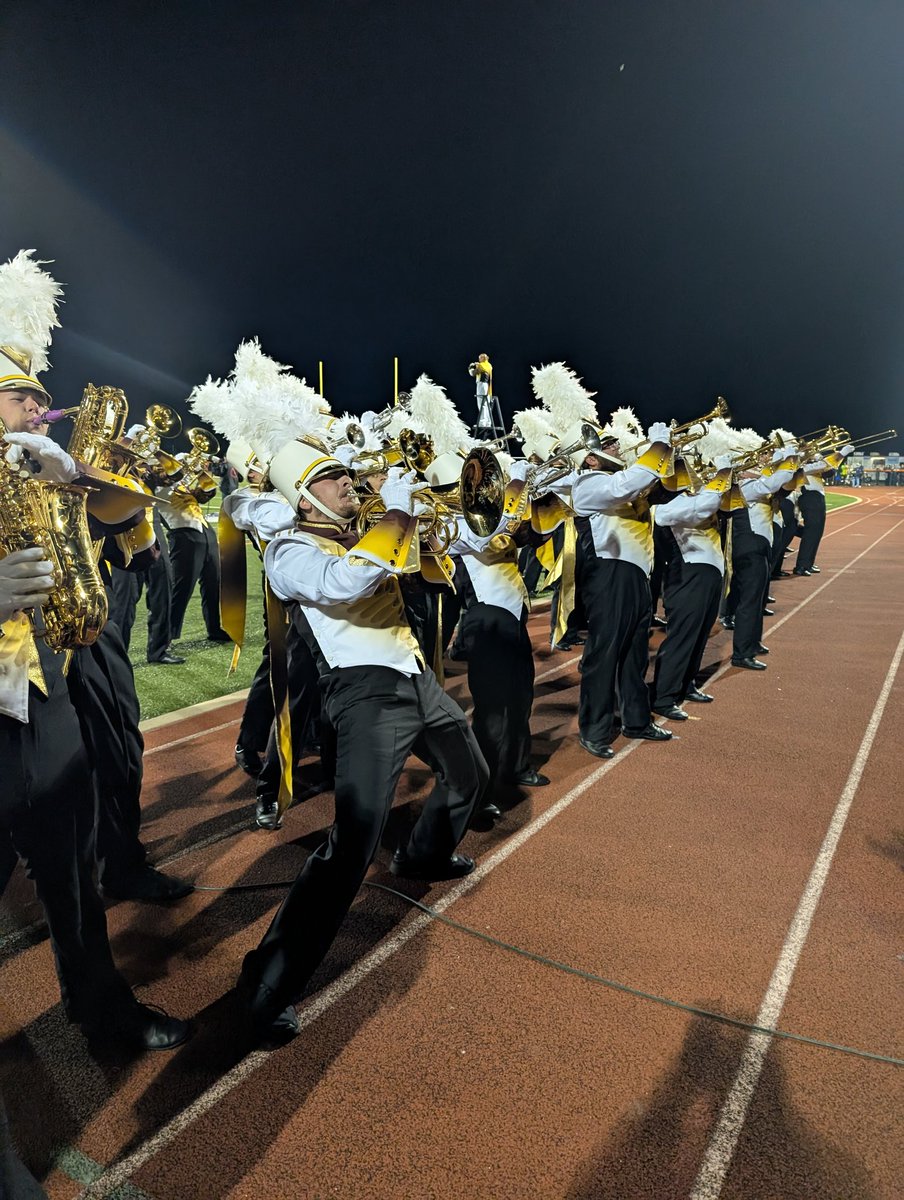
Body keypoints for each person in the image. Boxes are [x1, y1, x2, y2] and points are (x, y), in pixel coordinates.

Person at [234, 441, 488, 1043]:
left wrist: (424, 520)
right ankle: (263, 990)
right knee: (351, 846)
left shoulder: (370, 531)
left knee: (469, 772)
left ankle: (423, 853)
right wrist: (396, 518)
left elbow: (446, 564)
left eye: (347, 474)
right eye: (332, 478)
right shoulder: (289, 549)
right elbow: (341, 585)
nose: (349, 483)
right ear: (300, 495)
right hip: (364, 694)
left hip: (413, 674)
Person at [0, 407, 189, 1051]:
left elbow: (120, 515)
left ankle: (98, 1005)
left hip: (35, 686)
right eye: (18, 393)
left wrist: (79, 473)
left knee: (73, 859)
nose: (38, 405)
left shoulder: (32, 470)